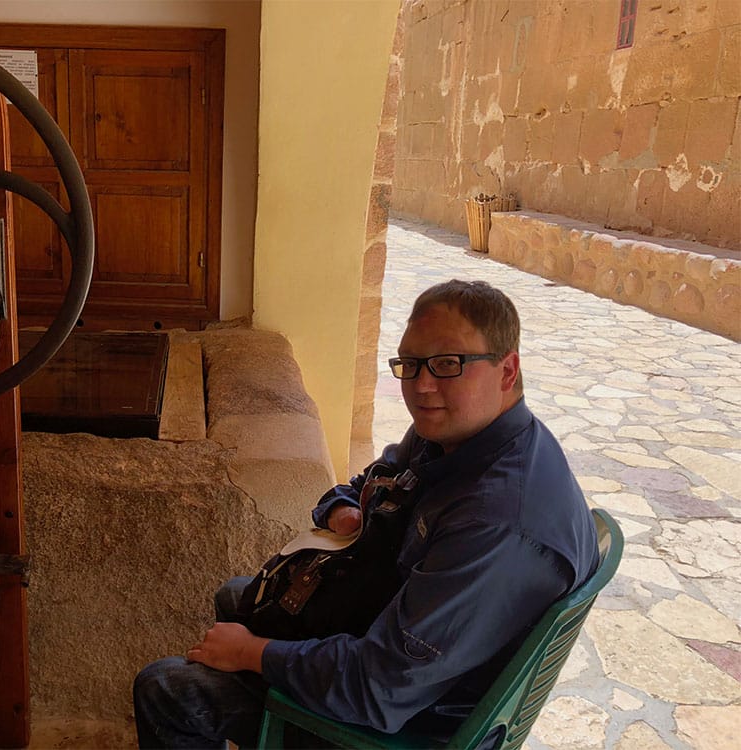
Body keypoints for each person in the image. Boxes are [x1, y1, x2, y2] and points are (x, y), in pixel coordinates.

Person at [133, 279, 599, 748]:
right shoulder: (459, 436)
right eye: (411, 364)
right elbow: (361, 485)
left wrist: (256, 654)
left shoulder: (496, 522)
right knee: (239, 598)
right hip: (409, 646)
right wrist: (343, 511)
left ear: (507, 370)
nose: (421, 385)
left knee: (166, 689)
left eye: (447, 363)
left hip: (412, 722)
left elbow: (379, 690)